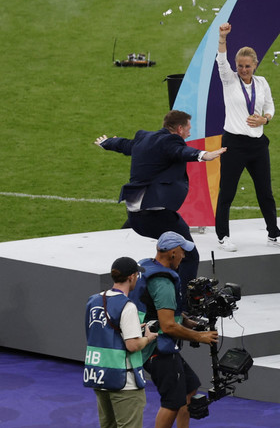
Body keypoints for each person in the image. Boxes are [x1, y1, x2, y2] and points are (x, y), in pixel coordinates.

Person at [95, 110, 226, 299]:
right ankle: (185, 302)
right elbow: (181, 152)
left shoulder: (145, 137)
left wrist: (107, 143)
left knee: (172, 250)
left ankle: (165, 291)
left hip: (135, 215)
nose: (190, 132)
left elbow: (125, 144)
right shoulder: (170, 142)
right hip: (154, 215)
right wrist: (204, 155)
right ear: (179, 129)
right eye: (188, 128)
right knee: (189, 253)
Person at [130, 232, 219, 428]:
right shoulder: (163, 282)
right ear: (172, 253)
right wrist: (200, 336)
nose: (184, 256)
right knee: (172, 401)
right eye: (182, 252)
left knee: (190, 387)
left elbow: (153, 306)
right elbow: (168, 326)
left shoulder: (146, 266)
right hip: (157, 349)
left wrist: (184, 320)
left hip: (154, 343)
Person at [214, 22, 280, 252]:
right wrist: (223, 38)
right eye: (240, 66)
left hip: (257, 145)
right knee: (227, 192)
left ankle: (273, 235)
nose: (243, 70)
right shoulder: (229, 79)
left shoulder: (262, 82)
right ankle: (223, 237)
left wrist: (265, 119)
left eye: (247, 66)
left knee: (265, 193)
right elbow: (221, 60)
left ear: (255, 65)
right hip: (234, 144)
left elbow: (270, 106)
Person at [84, 256, 158, 428]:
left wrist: (132, 328)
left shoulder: (93, 300)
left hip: (99, 376)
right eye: (137, 275)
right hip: (124, 381)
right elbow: (132, 345)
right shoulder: (127, 306)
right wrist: (147, 338)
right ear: (132, 277)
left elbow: (97, 333)